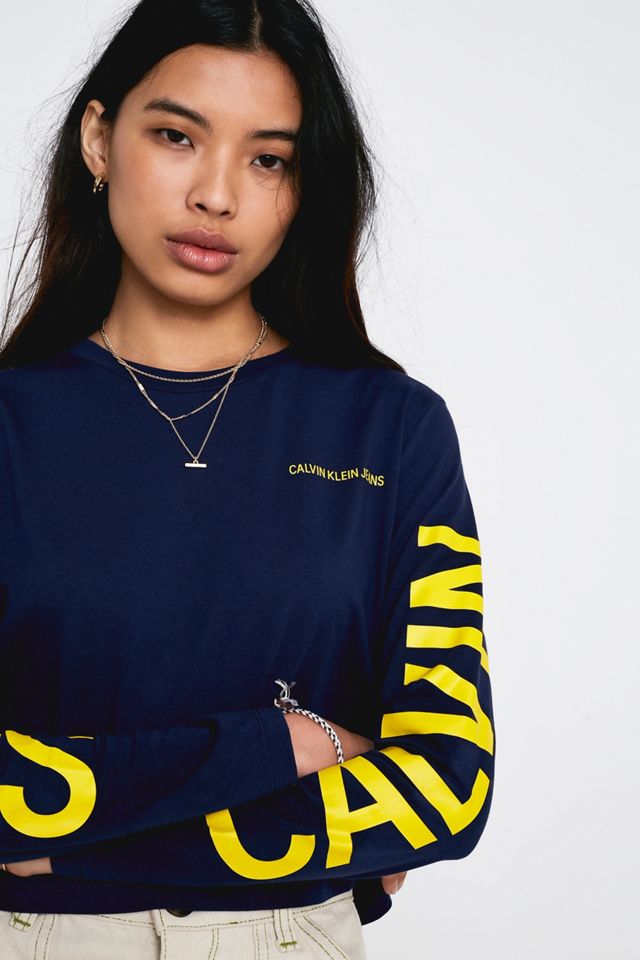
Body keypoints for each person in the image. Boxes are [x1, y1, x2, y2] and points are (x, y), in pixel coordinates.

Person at [0, 0, 495, 957]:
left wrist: (80, 837)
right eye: (177, 137)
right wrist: (288, 747)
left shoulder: (394, 428)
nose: (217, 195)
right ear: (99, 140)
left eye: (269, 159)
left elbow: (449, 785)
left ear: (304, 187)